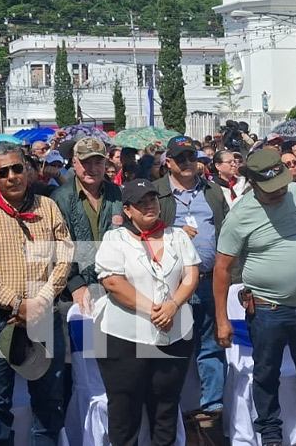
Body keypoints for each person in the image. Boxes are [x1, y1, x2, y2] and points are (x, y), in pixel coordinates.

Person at [213, 149, 296, 446]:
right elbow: (221, 268)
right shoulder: (240, 215)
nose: (279, 191)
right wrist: (222, 320)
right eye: (271, 189)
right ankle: (270, 435)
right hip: (268, 310)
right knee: (267, 375)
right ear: (253, 184)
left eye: (281, 184)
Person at [0, 141, 73, 446]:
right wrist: (17, 304)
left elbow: (64, 256)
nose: (12, 176)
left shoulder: (48, 207)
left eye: (17, 168)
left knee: (49, 401)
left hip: (44, 316)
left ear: (27, 170)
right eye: (4, 171)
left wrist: (41, 300)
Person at [93, 179, 200, 446]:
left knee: (166, 406)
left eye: (152, 200)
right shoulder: (114, 238)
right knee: (125, 410)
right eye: (141, 202)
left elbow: (191, 274)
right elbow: (113, 282)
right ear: (127, 210)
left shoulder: (177, 236)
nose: (149, 206)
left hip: (174, 334)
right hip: (125, 337)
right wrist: (154, 310)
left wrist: (173, 305)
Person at [153, 135, 229, 424]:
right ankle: (175, 405)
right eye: (181, 158)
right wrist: (172, 231)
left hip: (210, 278)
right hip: (172, 282)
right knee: (174, 345)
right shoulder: (156, 192)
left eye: (191, 156)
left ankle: (213, 406)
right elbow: (141, 230)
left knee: (212, 343)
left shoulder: (213, 191)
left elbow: (226, 229)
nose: (187, 163)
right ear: (168, 162)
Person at [50, 137, 124, 415]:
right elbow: (57, 248)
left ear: (106, 163)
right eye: (85, 162)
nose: (92, 168)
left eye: (98, 161)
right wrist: (76, 284)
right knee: (75, 364)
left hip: (115, 289)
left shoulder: (118, 195)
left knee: (111, 359)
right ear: (74, 163)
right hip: (75, 295)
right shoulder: (59, 198)